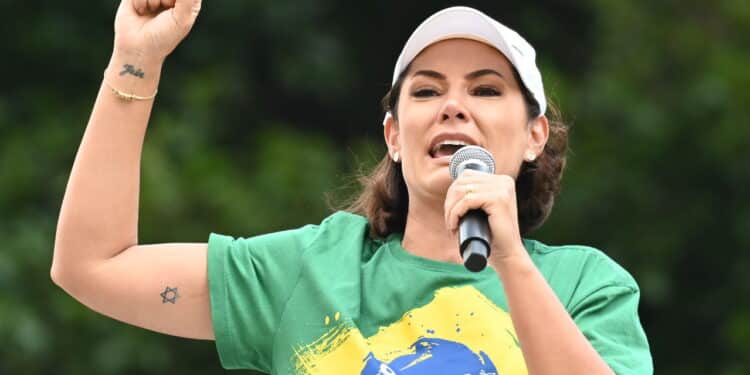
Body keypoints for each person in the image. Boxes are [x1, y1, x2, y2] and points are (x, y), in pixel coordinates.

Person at [51, 0, 652, 374]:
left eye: (487, 89)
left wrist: (512, 261)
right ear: (393, 135)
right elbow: (91, 265)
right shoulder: (312, 272)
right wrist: (135, 61)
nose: (452, 107)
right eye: (426, 90)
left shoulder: (583, 286)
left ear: (534, 136)